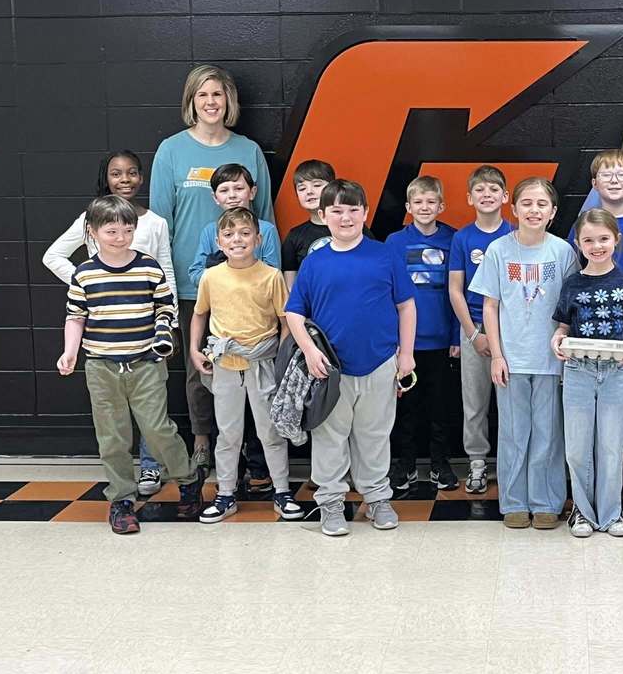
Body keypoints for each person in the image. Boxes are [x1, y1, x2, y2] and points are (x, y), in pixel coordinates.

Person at [150, 64, 275, 471]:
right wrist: (164, 284)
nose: (210, 103)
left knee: (253, 367)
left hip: (249, 287)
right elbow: (158, 223)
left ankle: (249, 448)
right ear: (191, 102)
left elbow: (266, 216)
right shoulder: (171, 150)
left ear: (229, 101)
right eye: (202, 95)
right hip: (195, 284)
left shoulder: (248, 151)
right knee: (199, 367)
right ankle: (203, 440)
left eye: (217, 95)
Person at [56, 196, 204, 534]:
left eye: (128, 230)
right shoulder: (85, 274)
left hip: (146, 364)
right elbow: (75, 317)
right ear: (92, 233)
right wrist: (70, 352)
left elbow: (165, 308)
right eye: (111, 231)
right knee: (112, 436)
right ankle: (121, 498)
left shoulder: (148, 267)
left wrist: (163, 333)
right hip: (101, 366)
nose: (121, 237)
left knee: (157, 429)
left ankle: (187, 478)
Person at [285, 179, 416, 537]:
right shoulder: (314, 263)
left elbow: (406, 306)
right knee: (330, 437)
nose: (346, 217)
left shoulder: (384, 255)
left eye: (353, 210)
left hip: (380, 363)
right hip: (331, 369)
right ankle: (330, 503)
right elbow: (294, 313)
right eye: (337, 211)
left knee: (374, 435)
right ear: (323, 215)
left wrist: (406, 354)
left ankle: (377, 498)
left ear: (366, 213)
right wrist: (310, 351)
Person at [43, 150, 176, 497]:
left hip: (146, 335)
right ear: (107, 178)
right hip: (106, 340)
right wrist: (91, 282)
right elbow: (53, 256)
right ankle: (121, 490)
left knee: (153, 415)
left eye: (132, 173)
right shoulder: (91, 217)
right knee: (113, 424)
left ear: (141, 178)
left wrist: (169, 322)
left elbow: (166, 272)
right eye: (117, 174)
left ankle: (151, 468)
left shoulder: (156, 222)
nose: (125, 179)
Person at [470, 178, 579, 530]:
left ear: (553, 212)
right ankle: (514, 501)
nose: (534, 210)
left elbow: (571, 307)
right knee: (514, 433)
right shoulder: (499, 251)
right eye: (527, 203)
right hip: (511, 359)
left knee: (548, 434)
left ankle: (547, 502)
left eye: (542, 204)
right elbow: (490, 306)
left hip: (550, 359)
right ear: (513, 209)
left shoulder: (562, 252)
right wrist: (497, 355)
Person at [189, 207, 301, 523]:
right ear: (219, 242)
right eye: (229, 234)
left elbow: (285, 320)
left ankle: (281, 491)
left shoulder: (271, 276)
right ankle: (225, 494)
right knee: (228, 433)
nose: (237, 240)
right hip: (225, 364)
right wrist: (196, 352)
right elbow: (200, 314)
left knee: (270, 431)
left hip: (262, 362)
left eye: (244, 233)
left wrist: (279, 357)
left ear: (258, 238)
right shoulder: (211, 276)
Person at [551, 209, 623, 538]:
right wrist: (557, 339)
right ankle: (581, 510)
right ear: (578, 243)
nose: (596, 246)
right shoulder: (572, 283)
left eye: (603, 239)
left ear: (616, 240)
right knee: (577, 446)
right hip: (578, 370)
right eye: (588, 240)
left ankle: (611, 512)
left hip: (615, 372)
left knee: (610, 445)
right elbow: (563, 326)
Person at [386, 176, 460, 492]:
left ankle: (440, 464)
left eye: (431, 202)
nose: (425, 207)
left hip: (442, 340)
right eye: (418, 202)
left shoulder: (453, 239)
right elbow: (388, 294)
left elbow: (460, 292)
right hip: (406, 344)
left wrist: (457, 336)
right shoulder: (394, 242)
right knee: (407, 407)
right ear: (408, 207)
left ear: (441, 205)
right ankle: (406, 464)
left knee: (440, 407)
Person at [448, 165, 512, 493]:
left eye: (493, 189)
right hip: (473, 330)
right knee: (474, 402)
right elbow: (455, 289)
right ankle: (476, 462)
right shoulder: (463, 237)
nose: (486, 195)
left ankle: (509, 464)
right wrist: (473, 334)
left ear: (505, 196)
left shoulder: (515, 234)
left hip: (510, 332)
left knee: (510, 402)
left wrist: (500, 334)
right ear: (469, 197)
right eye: (480, 190)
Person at [188, 163, 281, 287]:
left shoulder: (267, 230)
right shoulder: (210, 230)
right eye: (224, 190)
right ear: (215, 197)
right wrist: (220, 273)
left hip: (256, 302)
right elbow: (195, 274)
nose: (232, 195)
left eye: (238, 189)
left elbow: (273, 275)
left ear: (252, 192)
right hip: (220, 302)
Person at [571, 150, 623, 272]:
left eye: (621, 174)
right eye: (606, 175)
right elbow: (574, 267)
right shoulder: (583, 224)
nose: (614, 180)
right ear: (594, 183)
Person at [281, 159, 336, 290]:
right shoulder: (294, 236)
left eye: (317, 185)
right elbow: (290, 287)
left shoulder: (352, 227)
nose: (309, 191)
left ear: (333, 188)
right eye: (302, 188)